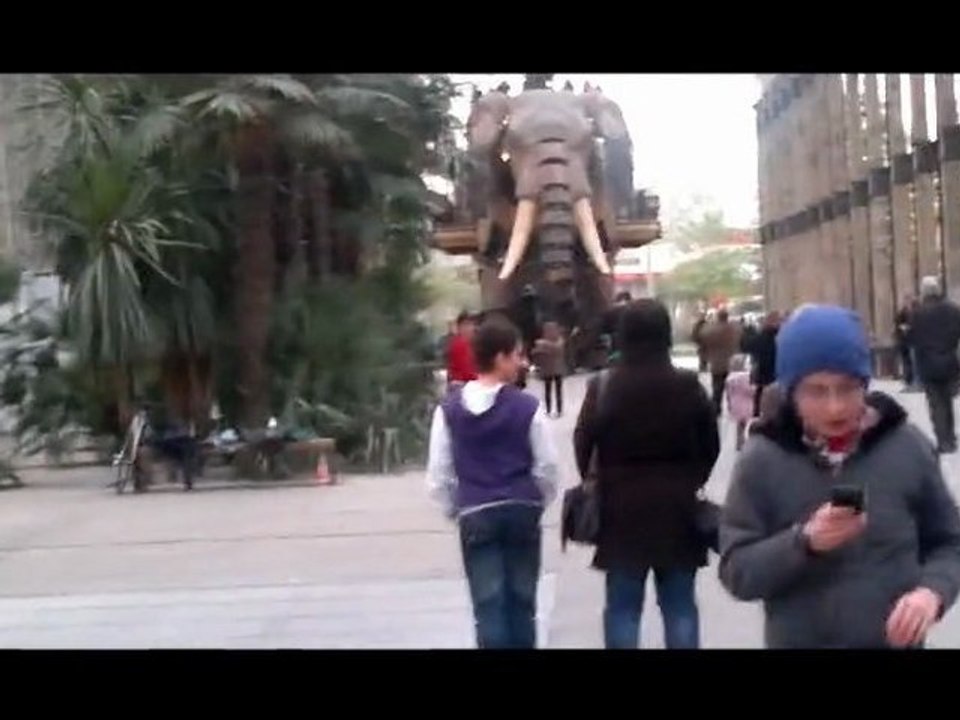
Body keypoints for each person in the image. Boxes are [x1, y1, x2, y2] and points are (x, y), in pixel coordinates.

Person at [719, 305, 960, 648]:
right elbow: (736, 571)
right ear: (791, 391)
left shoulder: (907, 446)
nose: (835, 407)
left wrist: (932, 592)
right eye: (817, 391)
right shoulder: (762, 458)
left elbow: (949, 541)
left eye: (847, 388)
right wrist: (803, 542)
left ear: (865, 383)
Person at [574, 299, 720, 649]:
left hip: (621, 508)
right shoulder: (687, 385)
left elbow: (583, 442)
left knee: (623, 608)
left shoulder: (604, 386)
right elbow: (710, 443)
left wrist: (597, 479)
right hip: (678, 507)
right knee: (680, 606)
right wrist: (693, 478)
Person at [426, 318, 559, 649]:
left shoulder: (449, 410)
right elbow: (547, 465)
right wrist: (538, 499)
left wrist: (454, 507)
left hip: (476, 510)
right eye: (517, 355)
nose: (522, 362)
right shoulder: (527, 407)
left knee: (488, 605)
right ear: (499, 358)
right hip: (521, 508)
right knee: (522, 602)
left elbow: (440, 471)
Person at [909, 276, 960, 454]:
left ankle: (943, 441)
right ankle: (951, 437)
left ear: (923, 292)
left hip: (928, 364)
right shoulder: (953, 310)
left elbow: (912, 339)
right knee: (947, 402)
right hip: (949, 362)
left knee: (936, 404)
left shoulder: (918, 313)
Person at [700, 308, 742, 417]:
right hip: (732, 361)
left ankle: (716, 406)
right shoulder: (734, 328)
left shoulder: (712, 329)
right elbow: (740, 339)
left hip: (717, 362)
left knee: (717, 385)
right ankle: (732, 406)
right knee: (732, 386)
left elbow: (702, 336)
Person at [748, 311, 781, 418]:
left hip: (763, 373)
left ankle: (759, 416)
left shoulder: (760, 336)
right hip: (776, 374)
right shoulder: (782, 336)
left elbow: (751, 348)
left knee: (760, 396)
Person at [533, 321, 567, 418]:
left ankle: (559, 410)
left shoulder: (558, 340)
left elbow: (558, 348)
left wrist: (544, 345)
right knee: (548, 391)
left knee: (558, 391)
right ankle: (548, 410)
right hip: (548, 369)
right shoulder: (543, 342)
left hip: (557, 369)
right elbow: (538, 352)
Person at [725, 354, 754, 451]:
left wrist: (729, 405)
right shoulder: (745, 377)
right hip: (747, 405)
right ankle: (748, 443)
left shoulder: (729, 378)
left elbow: (728, 394)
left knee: (739, 426)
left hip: (735, 405)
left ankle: (739, 443)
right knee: (748, 425)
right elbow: (750, 390)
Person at [446, 311, 478, 388]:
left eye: (472, 324)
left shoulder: (472, 344)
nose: (470, 328)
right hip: (462, 386)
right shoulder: (459, 344)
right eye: (466, 325)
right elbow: (467, 372)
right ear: (459, 328)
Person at [895, 295, 917, 391]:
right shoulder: (901, 313)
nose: (906, 303)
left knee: (912, 362)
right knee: (906, 361)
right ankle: (908, 381)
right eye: (905, 300)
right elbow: (897, 324)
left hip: (912, 340)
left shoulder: (915, 312)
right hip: (904, 340)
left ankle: (912, 381)